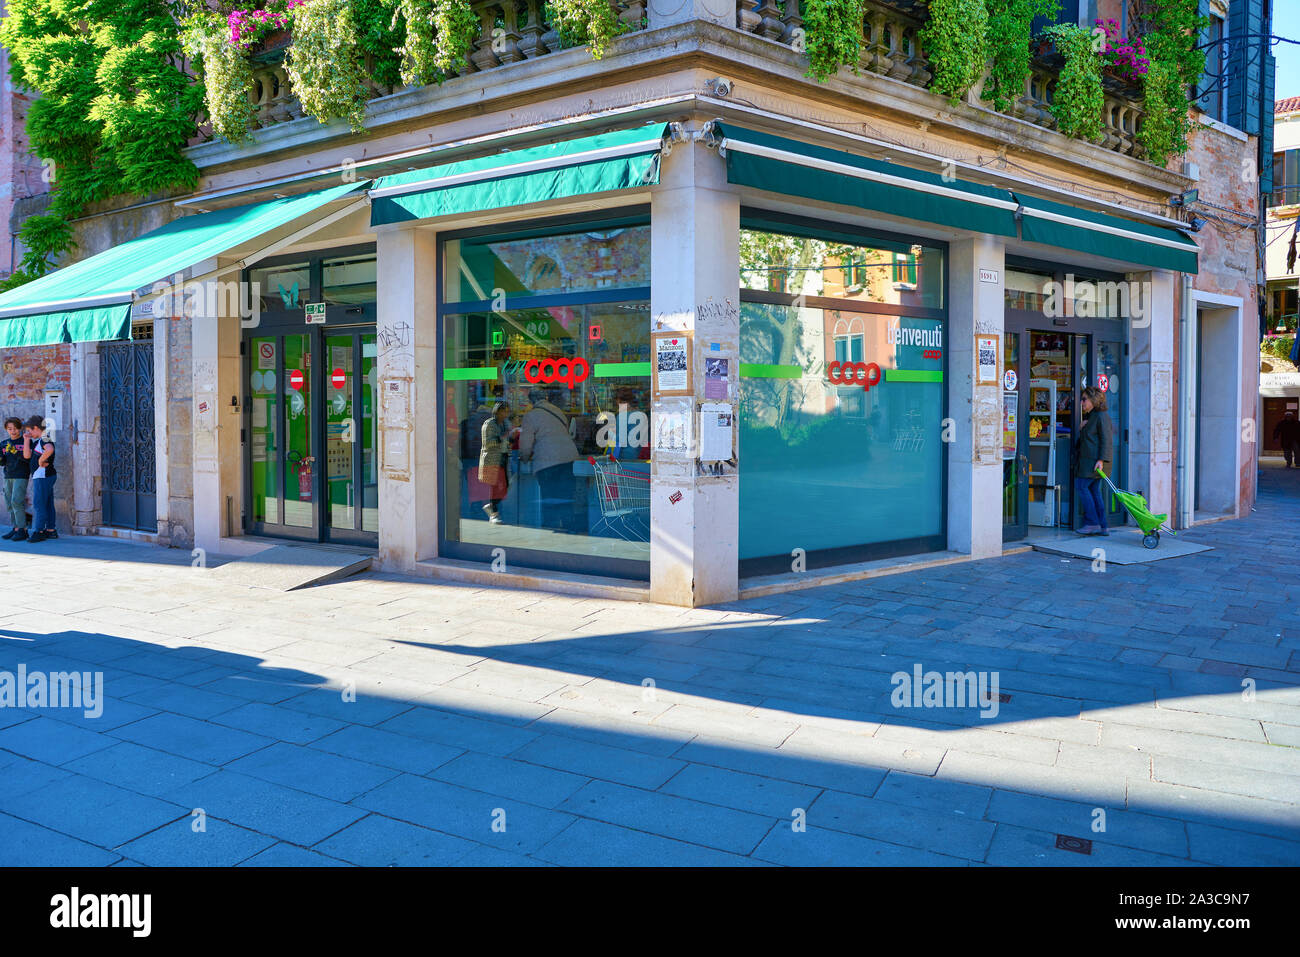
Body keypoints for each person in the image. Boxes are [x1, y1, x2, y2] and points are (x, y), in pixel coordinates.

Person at [519, 387, 581, 531]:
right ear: (545, 398)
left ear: (531, 400)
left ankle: (551, 526)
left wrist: (525, 458)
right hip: (569, 458)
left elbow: (526, 444)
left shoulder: (531, 415)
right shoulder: (558, 411)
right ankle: (568, 525)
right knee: (566, 495)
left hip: (548, 461)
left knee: (549, 497)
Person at [1074, 386, 1113, 537]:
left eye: (1084, 399)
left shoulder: (1100, 416)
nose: (1082, 403)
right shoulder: (1093, 416)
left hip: (1093, 462)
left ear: (1093, 400)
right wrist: (1082, 428)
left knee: (1082, 487)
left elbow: (1106, 440)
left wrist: (1101, 460)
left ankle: (1092, 523)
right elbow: (1090, 438)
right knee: (1094, 491)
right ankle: (1103, 525)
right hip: (1091, 461)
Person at [23, 416, 57, 543]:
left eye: (29, 431)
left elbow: (50, 449)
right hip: (43, 476)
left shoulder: (44, 438)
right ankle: (50, 530)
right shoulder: (38, 440)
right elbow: (27, 456)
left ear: (36, 428)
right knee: (47, 503)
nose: (28, 433)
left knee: (38, 504)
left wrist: (41, 460)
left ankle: (39, 531)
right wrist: (26, 440)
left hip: (43, 476)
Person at [478, 402, 512, 524]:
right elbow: (488, 443)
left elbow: (506, 440)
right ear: (496, 412)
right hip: (492, 459)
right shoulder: (489, 424)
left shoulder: (504, 424)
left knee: (506, 486)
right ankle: (494, 514)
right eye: (503, 411)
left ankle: (491, 506)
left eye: (507, 411)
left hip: (503, 458)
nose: (505, 414)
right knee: (495, 487)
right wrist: (504, 436)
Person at [0, 417, 29, 540]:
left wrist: (14, 451)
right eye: (10, 429)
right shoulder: (3, 443)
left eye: (15, 428)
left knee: (16, 501)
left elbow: (27, 459)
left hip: (21, 475)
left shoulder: (24, 442)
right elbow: (2, 462)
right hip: (8, 475)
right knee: (9, 503)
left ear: (20, 428)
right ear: (6, 430)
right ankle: (16, 528)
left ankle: (23, 530)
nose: (13, 431)